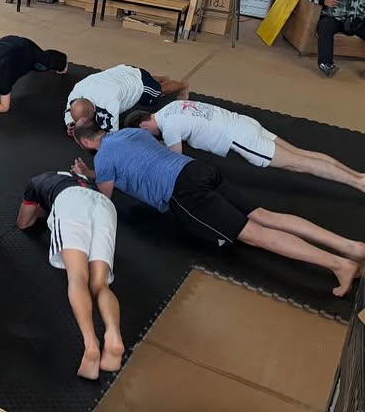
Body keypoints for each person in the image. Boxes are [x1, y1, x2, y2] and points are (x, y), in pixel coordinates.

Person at [71, 123, 365, 297]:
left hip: (183, 192)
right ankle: (351, 247)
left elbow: (105, 198)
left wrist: (86, 180)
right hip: (197, 170)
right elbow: (135, 161)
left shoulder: (104, 157)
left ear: (85, 142)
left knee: (255, 235)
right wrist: (94, 172)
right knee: (264, 215)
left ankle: (339, 265)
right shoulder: (130, 133)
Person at [16, 171, 123, 380]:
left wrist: (41, 211)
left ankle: (91, 343)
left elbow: (23, 222)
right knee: (100, 284)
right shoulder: (84, 180)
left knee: (77, 277)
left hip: (69, 202)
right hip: (104, 205)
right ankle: (113, 335)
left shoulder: (36, 181)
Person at [124, 102, 365, 192]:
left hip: (241, 138)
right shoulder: (170, 108)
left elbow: (174, 157)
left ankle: (357, 183)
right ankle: (358, 176)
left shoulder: (169, 127)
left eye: (143, 134)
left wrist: (149, 153)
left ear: (144, 125)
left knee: (298, 164)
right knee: (301, 154)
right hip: (243, 122)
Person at [64, 64, 188, 134]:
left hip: (138, 84)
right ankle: (161, 78)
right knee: (145, 78)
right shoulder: (77, 92)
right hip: (122, 72)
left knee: (159, 91)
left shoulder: (108, 104)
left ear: (93, 112)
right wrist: (70, 123)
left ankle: (183, 85)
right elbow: (69, 110)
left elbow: (112, 135)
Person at [0, 36, 68, 116]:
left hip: (25, 48)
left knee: (41, 65)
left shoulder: (2, 78)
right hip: (6, 41)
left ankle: (63, 61)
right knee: (23, 65)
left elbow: (5, 107)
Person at [304, 0, 365, 77]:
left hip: (357, 22)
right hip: (335, 19)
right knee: (325, 25)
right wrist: (323, 0)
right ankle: (326, 64)